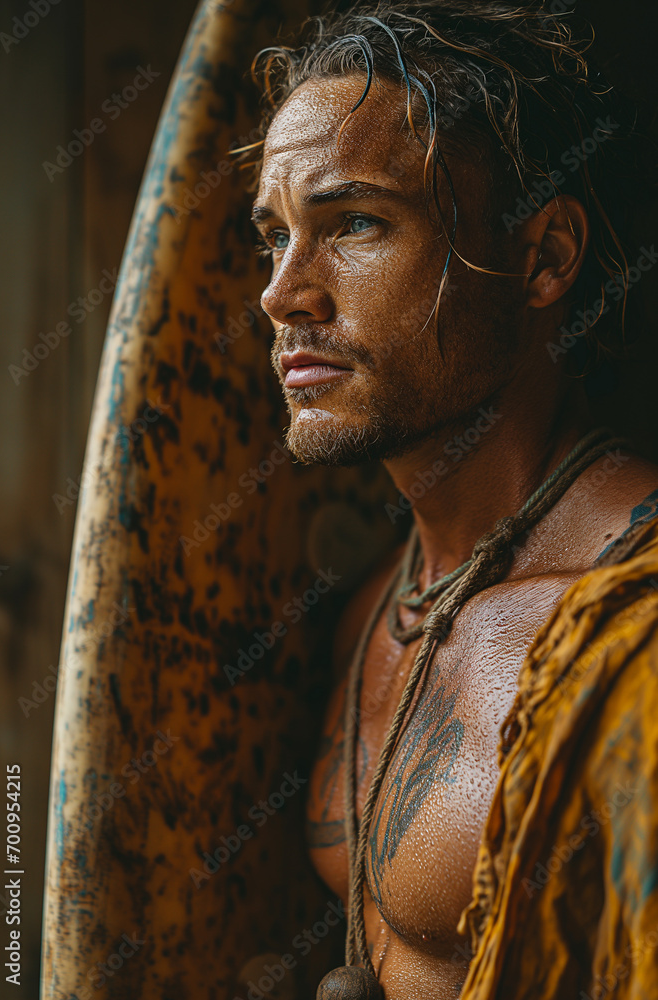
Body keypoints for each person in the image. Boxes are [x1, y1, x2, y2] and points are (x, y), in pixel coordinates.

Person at [236, 2, 658, 996]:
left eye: (355, 224)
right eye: (275, 237)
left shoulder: (625, 637)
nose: (283, 291)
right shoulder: (371, 613)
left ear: (542, 257)